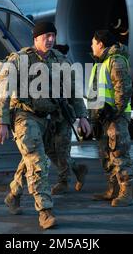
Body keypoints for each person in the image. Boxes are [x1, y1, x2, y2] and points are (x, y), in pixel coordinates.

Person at [0, 22, 91, 229]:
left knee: (28, 160)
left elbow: (74, 90)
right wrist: (1, 121)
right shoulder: (19, 59)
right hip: (24, 116)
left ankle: (13, 194)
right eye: (46, 35)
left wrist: (82, 116)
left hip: (48, 119)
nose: (51, 39)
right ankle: (45, 210)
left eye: (53, 35)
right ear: (35, 38)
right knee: (38, 161)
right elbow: (3, 91)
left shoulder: (60, 60)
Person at [88, 30, 133, 207]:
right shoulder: (100, 63)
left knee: (119, 154)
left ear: (100, 44)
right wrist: (93, 118)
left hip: (116, 117)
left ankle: (126, 193)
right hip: (102, 118)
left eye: (93, 42)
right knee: (106, 155)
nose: (91, 46)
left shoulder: (115, 61)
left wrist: (113, 111)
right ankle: (113, 189)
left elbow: (123, 89)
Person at [45, 43, 89, 195]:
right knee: (49, 149)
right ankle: (77, 168)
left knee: (62, 150)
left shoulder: (65, 66)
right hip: (48, 114)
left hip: (63, 115)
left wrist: (82, 115)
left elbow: (75, 93)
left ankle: (63, 182)